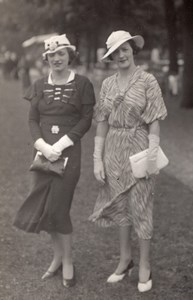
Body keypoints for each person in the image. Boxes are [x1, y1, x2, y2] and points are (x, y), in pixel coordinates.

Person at [13, 34, 95, 288]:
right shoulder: (38, 85)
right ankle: (58, 257)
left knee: (59, 209)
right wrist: (42, 146)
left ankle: (68, 260)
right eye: (52, 55)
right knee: (46, 209)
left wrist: (59, 146)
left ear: (70, 55)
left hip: (68, 153)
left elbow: (85, 120)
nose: (56, 58)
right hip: (42, 154)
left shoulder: (82, 84)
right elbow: (32, 120)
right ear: (46, 58)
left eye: (61, 53)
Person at [89, 30, 167, 292]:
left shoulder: (147, 81)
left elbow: (155, 120)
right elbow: (101, 122)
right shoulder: (108, 84)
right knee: (119, 205)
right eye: (115, 52)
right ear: (111, 57)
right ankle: (125, 260)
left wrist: (153, 155)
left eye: (125, 49)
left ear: (133, 49)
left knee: (141, 206)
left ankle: (144, 264)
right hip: (113, 147)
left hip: (139, 147)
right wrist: (96, 159)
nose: (121, 55)